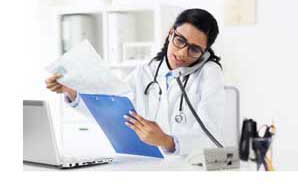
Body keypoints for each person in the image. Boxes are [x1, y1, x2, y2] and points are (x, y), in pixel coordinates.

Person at [45, 8, 226, 156]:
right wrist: (72, 91)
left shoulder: (209, 73)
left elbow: (210, 135)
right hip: (149, 164)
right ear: (171, 33)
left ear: (204, 52)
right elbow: (112, 107)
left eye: (194, 49)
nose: (182, 53)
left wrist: (167, 141)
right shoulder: (146, 71)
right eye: (180, 41)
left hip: (188, 169)